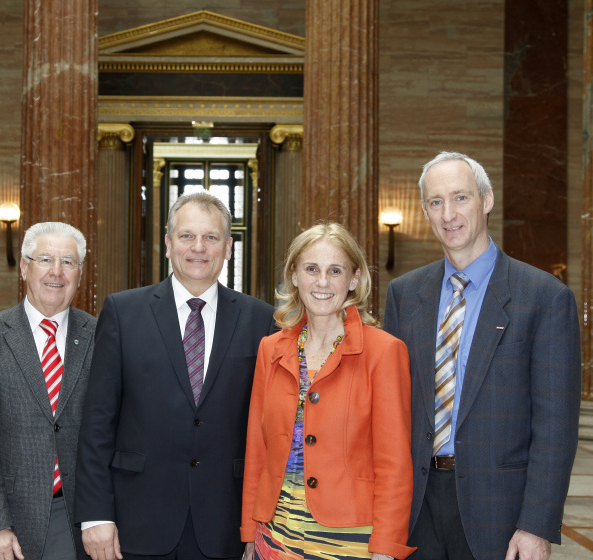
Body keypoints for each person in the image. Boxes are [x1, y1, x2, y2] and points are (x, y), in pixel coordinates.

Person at [384, 151, 581, 560]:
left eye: (461, 197)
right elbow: (391, 410)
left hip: (500, 514)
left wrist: (536, 525)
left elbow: (555, 427)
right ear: (425, 210)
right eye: (436, 202)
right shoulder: (404, 294)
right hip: (414, 509)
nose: (448, 214)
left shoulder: (544, 297)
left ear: (486, 200)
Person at [75, 191, 276, 560]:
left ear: (228, 247)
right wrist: (95, 515)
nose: (198, 247)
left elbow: (268, 431)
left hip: (225, 524)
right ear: (168, 244)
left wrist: (258, 524)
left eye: (211, 237)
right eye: (187, 236)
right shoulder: (123, 312)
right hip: (136, 521)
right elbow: (97, 423)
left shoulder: (261, 320)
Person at [241, 223, 416, 560]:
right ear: (294, 275)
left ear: (353, 279)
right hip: (275, 535)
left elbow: (394, 464)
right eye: (311, 269)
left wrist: (386, 547)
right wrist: (250, 530)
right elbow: (257, 450)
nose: (322, 282)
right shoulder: (270, 349)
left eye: (335, 270)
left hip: (350, 540)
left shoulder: (384, 351)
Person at [0, 222, 96, 560]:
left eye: (68, 262)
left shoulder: (101, 335)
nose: (56, 271)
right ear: (24, 267)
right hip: (10, 521)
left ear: (80, 273)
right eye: (45, 259)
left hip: (80, 519)